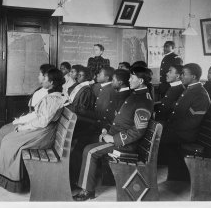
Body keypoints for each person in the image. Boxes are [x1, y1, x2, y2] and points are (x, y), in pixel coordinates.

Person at [72, 66, 154, 201]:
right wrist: (106, 131)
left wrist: (113, 138)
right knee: (87, 144)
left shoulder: (143, 100)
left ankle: (87, 191)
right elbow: (123, 120)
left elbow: (138, 130)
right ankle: (83, 182)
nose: (129, 79)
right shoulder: (136, 94)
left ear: (140, 80)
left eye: (132, 77)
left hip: (126, 145)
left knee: (90, 151)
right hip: (117, 137)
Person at [0, 68, 66, 193]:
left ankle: (13, 182)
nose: (42, 81)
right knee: (8, 138)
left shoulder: (52, 99)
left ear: (52, 82)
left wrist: (24, 127)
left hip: (44, 133)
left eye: (44, 78)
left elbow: (42, 122)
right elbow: (41, 118)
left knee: (10, 142)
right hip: (44, 129)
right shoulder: (53, 96)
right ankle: (7, 176)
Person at [0, 63, 54, 170]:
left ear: (48, 78)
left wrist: (20, 122)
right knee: (3, 131)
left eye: (40, 74)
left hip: (37, 127)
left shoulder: (49, 96)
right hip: (33, 121)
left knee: (3, 133)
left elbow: (38, 116)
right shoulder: (42, 90)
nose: (38, 76)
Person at [69, 68, 130, 185]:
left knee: (82, 144)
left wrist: (105, 131)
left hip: (112, 135)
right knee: (79, 138)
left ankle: (75, 180)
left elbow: (110, 118)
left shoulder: (120, 95)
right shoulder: (116, 93)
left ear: (120, 82)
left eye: (114, 80)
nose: (112, 83)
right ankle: (73, 178)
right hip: (105, 129)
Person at [161, 63, 211, 145]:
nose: (180, 76)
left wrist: (169, 126)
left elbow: (192, 122)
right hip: (176, 131)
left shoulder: (201, 95)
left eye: (183, 74)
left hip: (184, 136)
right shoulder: (190, 89)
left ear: (193, 77)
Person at [65, 66, 95, 138]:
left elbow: (83, 110)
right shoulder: (79, 86)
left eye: (81, 75)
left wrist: (69, 107)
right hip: (74, 113)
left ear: (87, 77)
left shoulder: (87, 90)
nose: (78, 77)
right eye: (78, 74)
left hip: (80, 119)